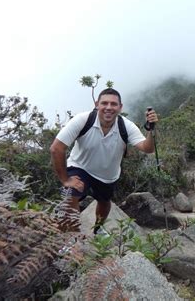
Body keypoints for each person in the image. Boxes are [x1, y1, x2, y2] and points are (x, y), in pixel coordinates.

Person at [50, 88, 158, 233]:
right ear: (97, 104)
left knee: (104, 202)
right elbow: (56, 148)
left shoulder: (125, 126)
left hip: (107, 175)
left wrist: (151, 130)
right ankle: (72, 236)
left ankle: (98, 229)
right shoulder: (83, 120)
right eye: (104, 103)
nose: (108, 108)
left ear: (120, 107)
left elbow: (147, 148)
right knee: (70, 194)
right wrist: (65, 179)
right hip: (81, 166)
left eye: (113, 104)